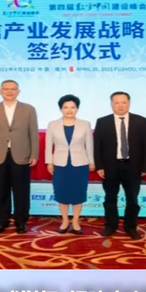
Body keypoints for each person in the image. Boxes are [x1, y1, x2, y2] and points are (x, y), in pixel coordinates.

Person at [0, 80, 40, 234]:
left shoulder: (29, 109)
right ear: (0, 91)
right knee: (1, 190)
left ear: (18, 91)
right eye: (6, 89)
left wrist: (34, 154)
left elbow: (33, 133)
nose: (10, 91)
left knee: (21, 191)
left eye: (13, 89)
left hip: (21, 154)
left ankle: (21, 221)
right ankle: (2, 221)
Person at [94, 91, 146, 239]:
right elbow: (97, 147)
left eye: (124, 102)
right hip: (110, 167)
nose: (120, 105)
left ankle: (130, 227)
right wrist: (99, 166)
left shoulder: (141, 121)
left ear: (129, 103)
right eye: (117, 102)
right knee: (110, 198)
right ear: (111, 104)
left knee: (132, 199)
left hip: (133, 167)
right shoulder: (102, 122)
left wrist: (145, 166)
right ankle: (110, 225)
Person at [45, 95, 95, 234]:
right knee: (62, 193)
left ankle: (76, 221)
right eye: (66, 107)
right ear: (61, 109)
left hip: (80, 164)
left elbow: (89, 145)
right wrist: (49, 162)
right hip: (60, 164)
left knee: (78, 193)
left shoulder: (85, 124)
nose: (69, 110)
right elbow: (48, 145)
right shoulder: (52, 124)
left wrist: (91, 161)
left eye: (73, 107)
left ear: (77, 109)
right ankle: (65, 221)